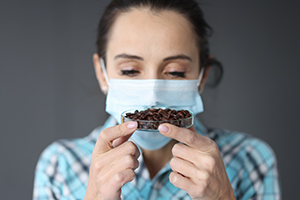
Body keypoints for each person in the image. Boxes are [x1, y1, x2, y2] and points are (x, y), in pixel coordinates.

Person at [33, 0, 281, 199]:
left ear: (202, 76)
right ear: (102, 73)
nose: (153, 98)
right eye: (130, 70)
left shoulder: (249, 158)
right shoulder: (60, 166)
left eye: (175, 72)